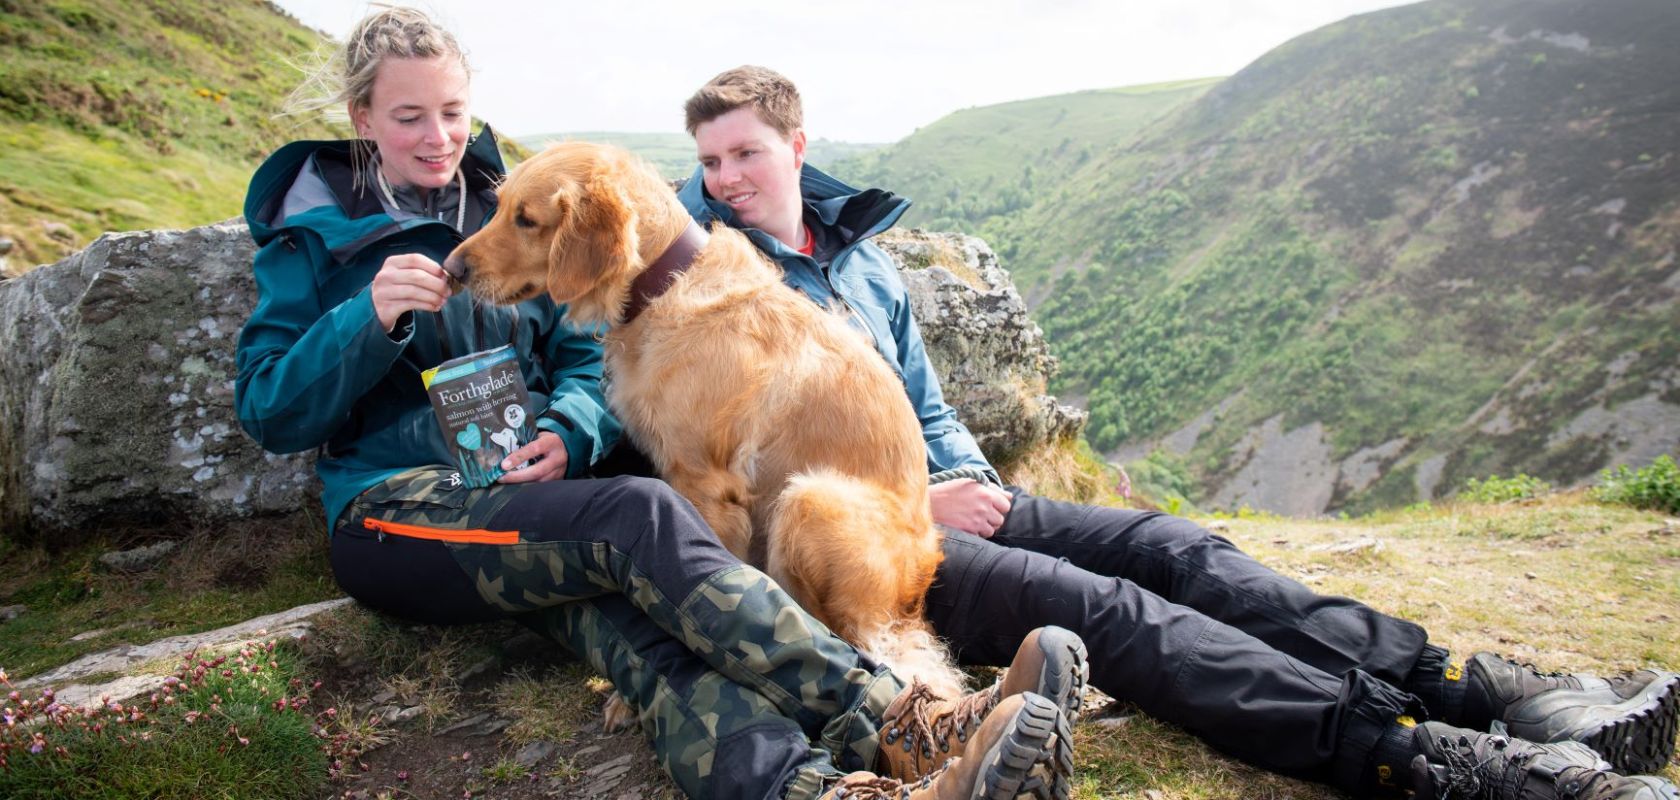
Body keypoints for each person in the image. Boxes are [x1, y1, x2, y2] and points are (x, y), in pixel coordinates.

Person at [671, 65, 1680, 800]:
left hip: (960, 502)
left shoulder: (864, 261)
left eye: (745, 152)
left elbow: (928, 406)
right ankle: (1418, 758)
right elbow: (741, 474)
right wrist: (906, 499)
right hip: (864, 544)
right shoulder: (715, 294)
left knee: (1174, 544)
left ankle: (1477, 686)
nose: (725, 178)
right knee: (1108, 608)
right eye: (708, 160)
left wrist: (975, 480)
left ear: (796, 146)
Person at [233, 10, 1084, 800]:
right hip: (394, 511)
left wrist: (569, 428)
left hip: (523, 501)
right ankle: (912, 720)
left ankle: (821, 787)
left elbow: (579, 362)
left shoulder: (515, 203)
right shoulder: (313, 237)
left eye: (453, 111)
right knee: (636, 513)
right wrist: (365, 317)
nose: (440, 137)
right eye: (409, 116)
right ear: (361, 118)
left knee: (656, 648)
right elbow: (270, 411)